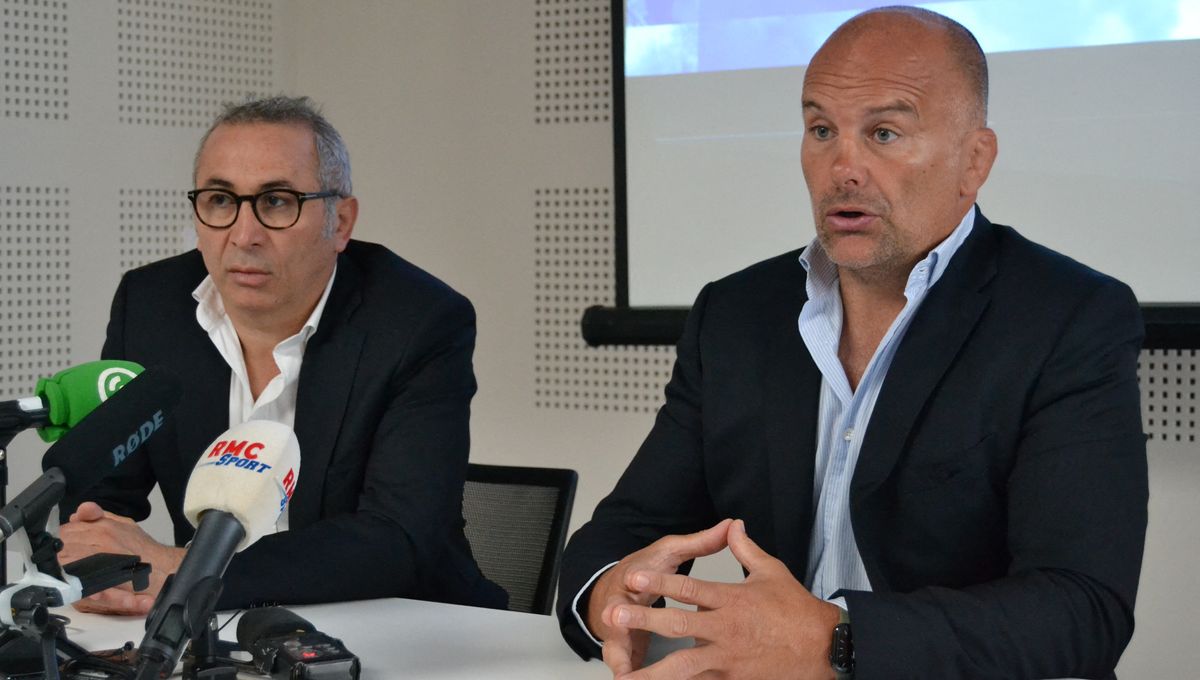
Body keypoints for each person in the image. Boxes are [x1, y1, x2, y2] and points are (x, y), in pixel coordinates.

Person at [557, 7, 1147, 680]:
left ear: (974, 160)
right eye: (820, 130)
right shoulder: (737, 315)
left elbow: (1081, 612)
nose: (843, 167)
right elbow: (622, 535)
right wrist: (614, 597)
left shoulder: (1067, 318)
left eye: (885, 132)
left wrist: (839, 640)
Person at [58, 95, 506, 613]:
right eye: (221, 200)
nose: (243, 236)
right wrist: (102, 561)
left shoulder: (416, 322)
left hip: (412, 629)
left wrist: (184, 571)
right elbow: (100, 489)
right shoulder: (151, 307)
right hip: (215, 633)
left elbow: (397, 538)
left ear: (339, 223)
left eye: (276, 202)